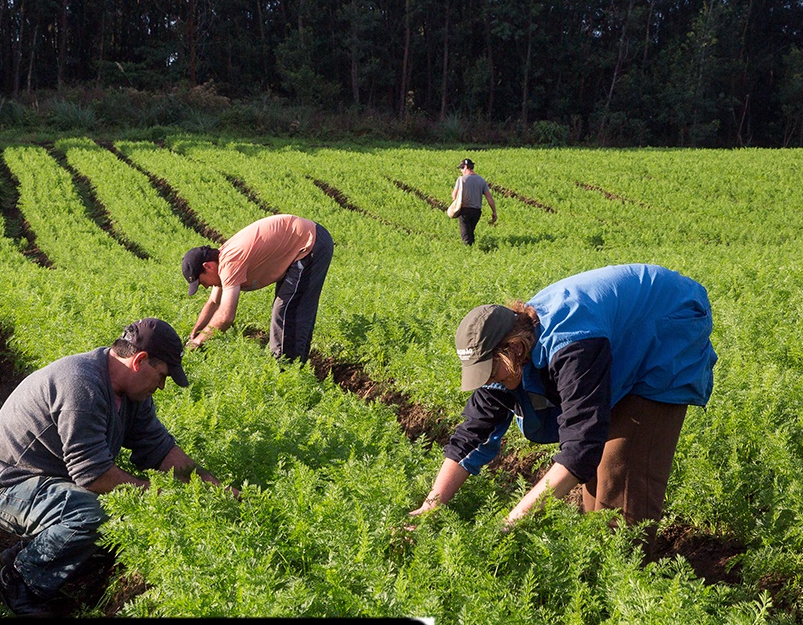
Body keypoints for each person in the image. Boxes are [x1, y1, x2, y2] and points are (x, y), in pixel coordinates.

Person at [409, 264, 716, 528]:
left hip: (667, 325)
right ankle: (595, 568)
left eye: (490, 373)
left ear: (513, 349)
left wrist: (513, 521)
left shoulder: (571, 346)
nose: (489, 383)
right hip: (619, 334)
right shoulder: (507, 357)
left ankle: (625, 581)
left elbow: (580, 447)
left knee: (621, 473)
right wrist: (432, 505)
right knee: (594, 485)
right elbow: (472, 436)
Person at [0, 317, 223, 616]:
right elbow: (92, 475)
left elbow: (161, 450)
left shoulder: (132, 395)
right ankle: (20, 582)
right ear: (139, 361)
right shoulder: (81, 385)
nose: (162, 386)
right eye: (162, 376)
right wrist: (158, 494)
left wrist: (213, 489)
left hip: (48, 480)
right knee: (95, 513)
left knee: (116, 522)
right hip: (4, 486)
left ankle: (27, 555)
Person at [181, 213, 334, 362]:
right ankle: (294, 367)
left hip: (310, 243)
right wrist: (195, 333)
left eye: (201, 282)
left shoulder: (229, 263)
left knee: (286, 310)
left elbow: (226, 316)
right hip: (305, 240)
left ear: (207, 267)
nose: (206, 287)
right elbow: (214, 303)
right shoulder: (221, 259)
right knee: (292, 308)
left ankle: (285, 369)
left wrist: (200, 341)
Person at [450, 157, 496, 245]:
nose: (461, 171)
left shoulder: (461, 179)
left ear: (466, 167)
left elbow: (454, 195)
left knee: (466, 237)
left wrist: (455, 205)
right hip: (476, 212)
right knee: (470, 232)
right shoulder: (481, 180)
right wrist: (494, 212)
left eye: (462, 168)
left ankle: (469, 253)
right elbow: (489, 197)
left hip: (464, 211)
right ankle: (474, 249)